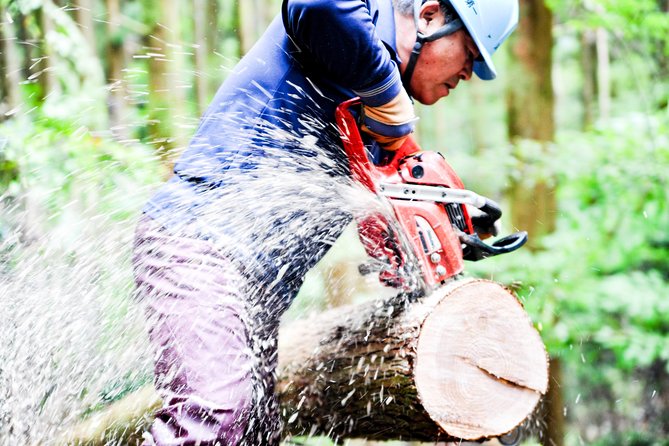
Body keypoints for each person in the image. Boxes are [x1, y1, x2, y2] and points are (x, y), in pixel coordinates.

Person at [132, 0, 519, 444]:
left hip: (257, 291)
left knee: (254, 432)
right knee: (216, 415)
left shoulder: (377, 119)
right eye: (469, 54)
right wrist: (384, 89)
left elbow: (388, 223)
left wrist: (443, 213)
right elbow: (316, 4)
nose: (467, 73)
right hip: (196, 244)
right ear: (430, 14)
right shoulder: (358, 27)